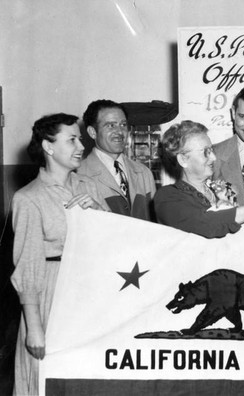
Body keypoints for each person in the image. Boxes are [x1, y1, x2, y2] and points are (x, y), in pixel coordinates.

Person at [11, 113, 108, 395]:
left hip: (90, 294)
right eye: (72, 140)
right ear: (48, 146)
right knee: (48, 377)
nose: (81, 146)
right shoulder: (28, 198)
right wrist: (34, 327)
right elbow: (27, 266)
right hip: (51, 297)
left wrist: (99, 212)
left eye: (80, 139)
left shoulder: (89, 187)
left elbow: (115, 240)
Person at [154, 120, 244, 238]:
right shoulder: (167, 197)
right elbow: (207, 224)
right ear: (183, 159)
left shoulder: (221, 188)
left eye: (212, 150)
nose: (214, 158)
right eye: (206, 152)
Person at [79, 99, 156, 221]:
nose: (119, 132)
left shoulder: (143, 173)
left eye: (123, 125)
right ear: (92, 132)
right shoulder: (79, 175)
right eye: (111, 125)